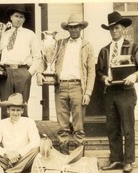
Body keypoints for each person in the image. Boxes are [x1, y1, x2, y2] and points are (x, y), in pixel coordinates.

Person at [97, 11, 138, 173]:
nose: (114, 31)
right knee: (112, 127)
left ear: (123, 29)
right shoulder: (104, 50)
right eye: (111, 29)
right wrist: (104, 78)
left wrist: (135, 75)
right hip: (110, 91)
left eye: (116, 28)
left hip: (126, 91)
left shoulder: (132, 47)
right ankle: (116, 159)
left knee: (127, 127)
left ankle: (129, 161)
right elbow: (99, 71)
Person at [37, 14, 95, 155]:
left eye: (76, 27)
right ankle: (63, 156)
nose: (73, 30)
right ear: (68, 29)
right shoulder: (60, 44)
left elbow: (91, 71)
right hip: (61, 87)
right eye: (71, 27)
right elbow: (46, 56)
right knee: (63, 126)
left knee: (78, 126)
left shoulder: (87, 46)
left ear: (81, 28)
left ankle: (78, 157)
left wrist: (88, 92)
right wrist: (39, 72)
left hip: (78, 87)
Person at [0, 5, 42, 119]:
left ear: (24, 19)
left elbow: (37, 57)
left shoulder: (30, 34)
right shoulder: (4, 34)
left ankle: (22, 133)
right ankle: (6, 133)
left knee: (21, 105)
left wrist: (29, 73)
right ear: (11, 17)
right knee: (6, 104)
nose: (18, 19)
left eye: (21, 17)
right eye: (16, 16)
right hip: (6, 72)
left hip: (23, 71)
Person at [0, 93, 41, 173]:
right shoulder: (1, 123)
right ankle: (18, 171)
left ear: (22, 110)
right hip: (7, 159)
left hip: (24, 157)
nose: (15, 113)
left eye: (18, 110)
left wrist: (19, 153)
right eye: (13, 110)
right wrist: (6, 153)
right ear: (8, 110)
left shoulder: (29, 122)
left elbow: (36, 142)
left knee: (36, 150)